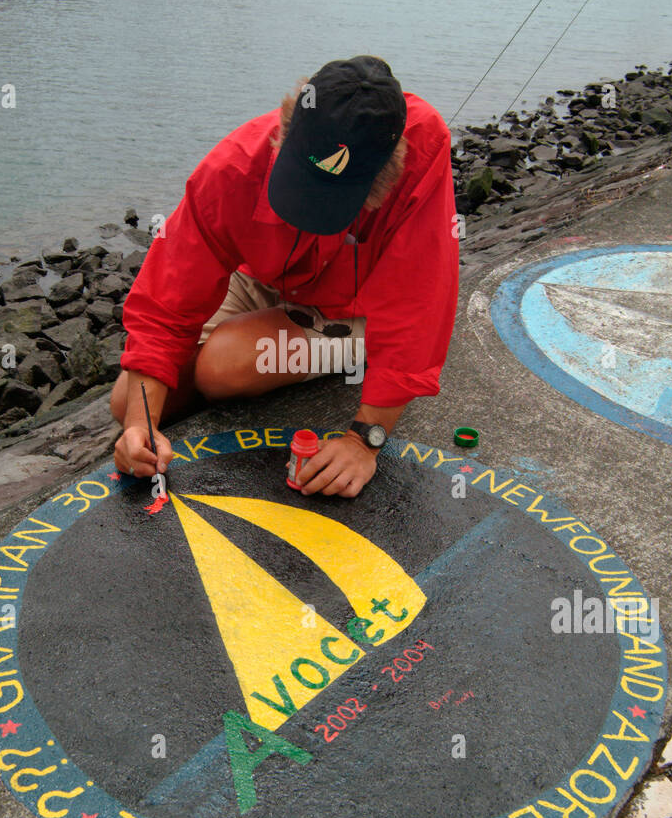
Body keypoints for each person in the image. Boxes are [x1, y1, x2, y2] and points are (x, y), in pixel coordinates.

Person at [111, 55, 458, 498]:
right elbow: (167, 300)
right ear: (284, 128)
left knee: (221, 367)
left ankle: (360, 350)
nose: (309, 216)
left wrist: (365, 439)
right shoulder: (234, 165)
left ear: (388, 170)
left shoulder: (422, 147)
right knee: (128, 402)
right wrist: (141, 425)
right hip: (266, 279)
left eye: (329, 204)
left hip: (353, 305)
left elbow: (420, 299)